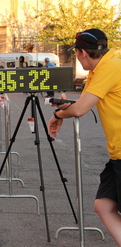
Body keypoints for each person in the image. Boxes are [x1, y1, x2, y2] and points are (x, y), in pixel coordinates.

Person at [47, 28, 121, 246]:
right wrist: (63, 109)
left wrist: (57, 114)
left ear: (82, 53)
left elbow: (80, 110)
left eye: (76, 53)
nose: (78, 58)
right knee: (103, 206)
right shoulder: (101, 69)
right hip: (117, 153)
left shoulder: (110, 67)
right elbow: (80, 105)